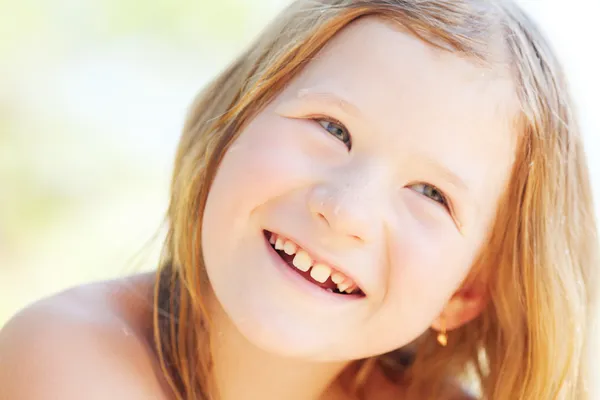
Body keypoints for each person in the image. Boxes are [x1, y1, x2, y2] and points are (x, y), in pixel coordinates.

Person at [1, 0, 597, 399]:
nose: (345, 210)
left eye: (430, 193)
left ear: (466, 293)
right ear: (232, 125)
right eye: (331, 128)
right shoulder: (68, 358)